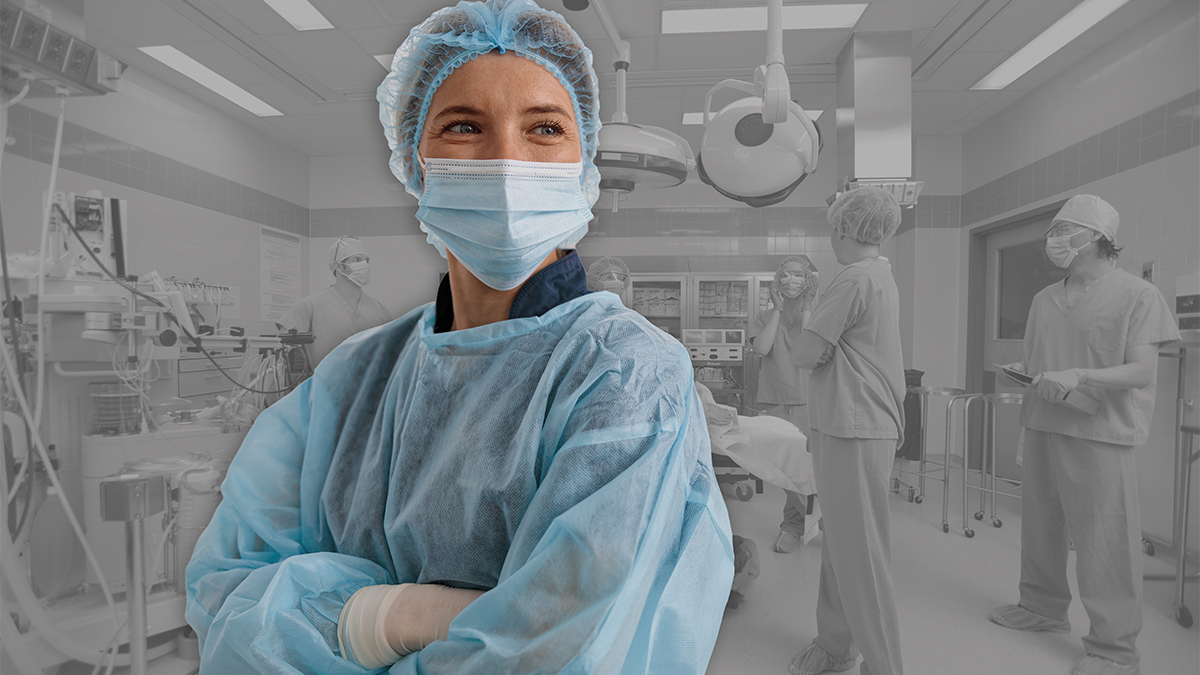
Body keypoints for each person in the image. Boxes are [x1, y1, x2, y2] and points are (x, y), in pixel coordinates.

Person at [184, 2, 734, 674]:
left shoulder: (627, 378)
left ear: (583, 159)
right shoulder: (356, 376)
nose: (507, 159)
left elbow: (560, 652)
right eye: (465, 126)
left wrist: (351, 617)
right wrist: (405, 616)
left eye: (545, 128)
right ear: (416, 160)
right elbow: (227, 593)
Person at [989, 194, 1179, 675]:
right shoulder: (1044, 299)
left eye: (1065, 228)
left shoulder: (1137, 295)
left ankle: (1115, 650)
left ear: (1098, 238)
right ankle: (1041, 607)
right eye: (1053, 229)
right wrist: (1024, 371)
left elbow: (1140, 372)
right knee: (1040, 524)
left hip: (1100, 432)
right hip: (1044, 422)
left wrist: (1081, 375)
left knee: (1104, 541)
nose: (1054, 239)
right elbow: (1038, 362)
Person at [787, 186, 906, 675]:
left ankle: (884, 666)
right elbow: (826, 350)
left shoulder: (855, 278)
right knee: (840, 543)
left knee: (862, 556)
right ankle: (835, 646)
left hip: (857, 425)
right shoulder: (877, 275)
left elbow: (803, 354)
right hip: (847, 423)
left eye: (833, 227)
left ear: (844, 229)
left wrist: (818, 342)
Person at [749, 255, 819, 554]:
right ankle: (807, 522)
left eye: (799, 276)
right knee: (786, 470)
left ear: (809, 281)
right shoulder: (764, 316)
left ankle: (794, 527)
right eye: (787, 275)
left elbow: (809, 350)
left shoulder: (815, 314)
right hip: (775, 400)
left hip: (809, 401)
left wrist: (807, 307)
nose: (793, 281)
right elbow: (762, 347)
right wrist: (776, 309)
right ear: (777, 281)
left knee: (809, 469)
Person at [279, 236, 391, 366]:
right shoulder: (310, 306)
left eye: (366, 260)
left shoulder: (381, 311)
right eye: (356, 260)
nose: (364, 265)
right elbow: (282, 351)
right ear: (339, 266)